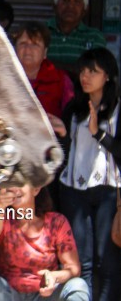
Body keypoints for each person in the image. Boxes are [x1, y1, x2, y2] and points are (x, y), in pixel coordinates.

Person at [58, 47, 121, 301]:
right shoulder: (74, 109)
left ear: (107, 75)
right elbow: (65, 151)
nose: (86, 76)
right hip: (73, 189)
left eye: (93, 71)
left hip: (108, 190)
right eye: (83, 70)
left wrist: (99, 133)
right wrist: (59, 132)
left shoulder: (118, 110)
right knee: (81, 261)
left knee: (106, 261)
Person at [0, 183, 88, 301]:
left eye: (20, 183)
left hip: (45, 294)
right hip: (10, 293)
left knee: (78, 285)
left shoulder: (56, 222)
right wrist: (0, 204)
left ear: (36, 189)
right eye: (10, 184)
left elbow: (73, 269)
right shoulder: (2, 217)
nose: (14, 189)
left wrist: (54, 277)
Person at [12, 21, 73, 134]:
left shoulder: (61, 80)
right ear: (14, 49)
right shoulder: (3, 78)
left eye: (35, 44)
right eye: (23, 43)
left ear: (45, 52)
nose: (28, 48)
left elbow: (72, 122)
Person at [46, 0, 106, 74]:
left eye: (77, 1)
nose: (70, 6)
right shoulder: (40, 32)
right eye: (65, 0)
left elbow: (94, 73)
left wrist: (48, 65)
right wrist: (76, 68)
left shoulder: (95, 37)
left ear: (85, 9)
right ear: (54, 5)